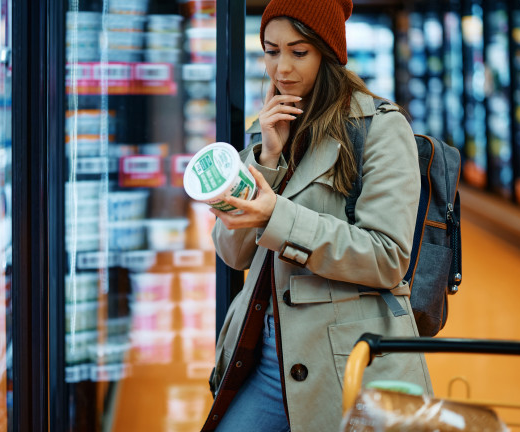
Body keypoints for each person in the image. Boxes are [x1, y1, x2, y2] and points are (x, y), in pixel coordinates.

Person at [200, 0, 432, 431]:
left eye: (299, 51)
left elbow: (388, 257)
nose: (281, 68)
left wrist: (277, 215)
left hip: (347, 361)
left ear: (329, 53)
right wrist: (267, 157)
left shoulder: (379, 127)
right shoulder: (269, 129)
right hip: (262, 354)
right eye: (271, 50)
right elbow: (233, 254)